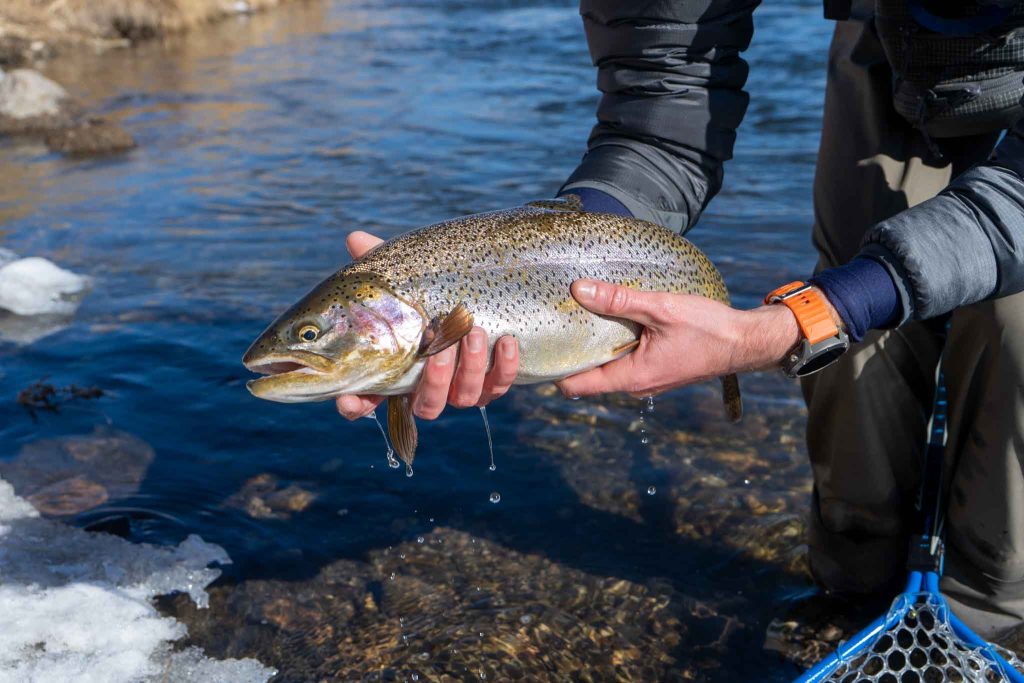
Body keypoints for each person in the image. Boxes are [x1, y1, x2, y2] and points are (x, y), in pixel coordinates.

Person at [336, 0, 1024, 639]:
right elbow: (661, 107)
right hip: (893, 33)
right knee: (858, 381)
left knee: (1012, 352)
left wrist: (793, 323)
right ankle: (848, 596)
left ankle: (989, 618)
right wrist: (564, 247)